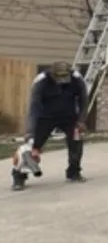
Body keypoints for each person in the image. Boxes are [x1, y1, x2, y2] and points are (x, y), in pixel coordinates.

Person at [11, 61, 89, 190]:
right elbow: (34, 108)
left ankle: (74, 173)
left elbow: (84, 101)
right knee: (30, 146)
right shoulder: (41, 81)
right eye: (59, 77)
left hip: (69, 117)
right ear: (52, 75)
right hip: (45, 117)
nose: (63, 80)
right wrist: (30, 131)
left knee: (76, 140)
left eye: (65, 76)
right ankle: (19, 177)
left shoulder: (77, 79)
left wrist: (81, 120)